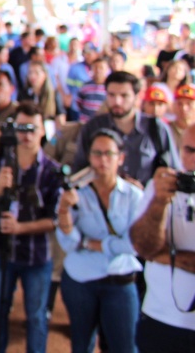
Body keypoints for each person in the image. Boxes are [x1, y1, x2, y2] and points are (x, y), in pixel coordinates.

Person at [0, 102, 63, 353]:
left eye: (32, 128)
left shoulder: (51, 172)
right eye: (21, 127)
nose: (27, 134)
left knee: (36, 317)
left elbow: (54, 220)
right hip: (0, 255)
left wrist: (20, 229)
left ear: (43, 131)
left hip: (36, 257)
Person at [56, 128, 145, 353]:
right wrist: (65, 209)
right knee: (81, 344)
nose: (103, 160)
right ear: (89, 157)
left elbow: (134, 244)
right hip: (80, 280)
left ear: (120, 158)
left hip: (120, 280)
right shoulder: (74, 192)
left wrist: (90, 244)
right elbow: (68, 243)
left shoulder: (134, 196)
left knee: (125, 346)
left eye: (109, 154)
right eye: (97, 153)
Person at [130, 124, 195, 353]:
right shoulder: (161, 187)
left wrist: (165, 255)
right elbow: (143, 247)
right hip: (161, 318)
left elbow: (153, 253)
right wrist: (159, 202)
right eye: (189, 150)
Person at [73, 71, 177, 187]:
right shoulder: (92, 127)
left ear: (136, 97)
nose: (117, 102)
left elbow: (172, 171)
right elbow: (80, 169)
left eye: (124, 96)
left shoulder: (156, 128)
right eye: (112, 95)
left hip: (147, 201)